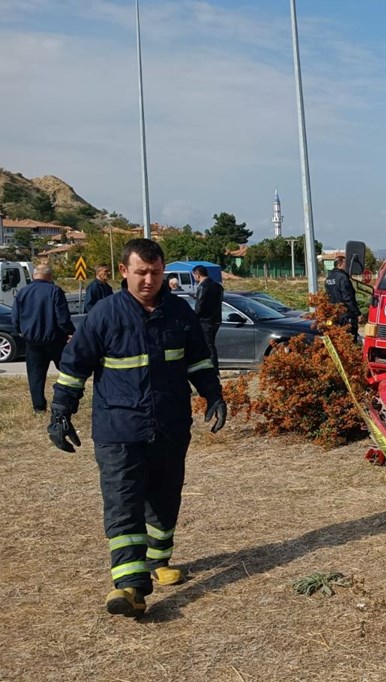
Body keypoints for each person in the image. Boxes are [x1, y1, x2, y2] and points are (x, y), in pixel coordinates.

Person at [49, 238, 226, 618]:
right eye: (141, 272)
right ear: (124, 272)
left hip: (170, 426)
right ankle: (130, 586)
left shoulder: (180, 314)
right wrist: (61, 410)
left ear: (164, 272)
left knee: (165, 498)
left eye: (156, 272)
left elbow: (198, 361)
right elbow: (74, 366)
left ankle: (159, 561)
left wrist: (213, 395)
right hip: (119, 429)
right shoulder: (104, 315)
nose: (149, 280)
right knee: (123, 502)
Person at [12, 263, 74, 412]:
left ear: (34, 275)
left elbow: (15, 317)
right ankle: (66, 400)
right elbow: (62, 317)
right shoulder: (55, 291)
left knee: (35, 376)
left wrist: (21, 331)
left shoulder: (23, 292)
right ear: (50, 276)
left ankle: (39, 407)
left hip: (32, 342)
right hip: (55, 340)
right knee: (67, 371)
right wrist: (70, 332)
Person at [192, 265, 223, 370]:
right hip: (216, 320)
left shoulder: (202, 287)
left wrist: (193, 317)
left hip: (205, 321)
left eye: (194, 276)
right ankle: (212, 368)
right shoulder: (218, 286)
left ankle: (213, 369)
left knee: (208, 345)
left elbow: (199, 306)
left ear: (197, 275)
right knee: (211, 344)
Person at [324, 255, 360, 342]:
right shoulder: (343, 278)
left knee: (335, 339)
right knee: (349, 340)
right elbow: (348, 297)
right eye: (345, 264)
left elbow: (327, 296)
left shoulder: (328, 278)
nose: (347, 267)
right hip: (345, 316)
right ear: (340, 265)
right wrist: (357, 313)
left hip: (333, 315)